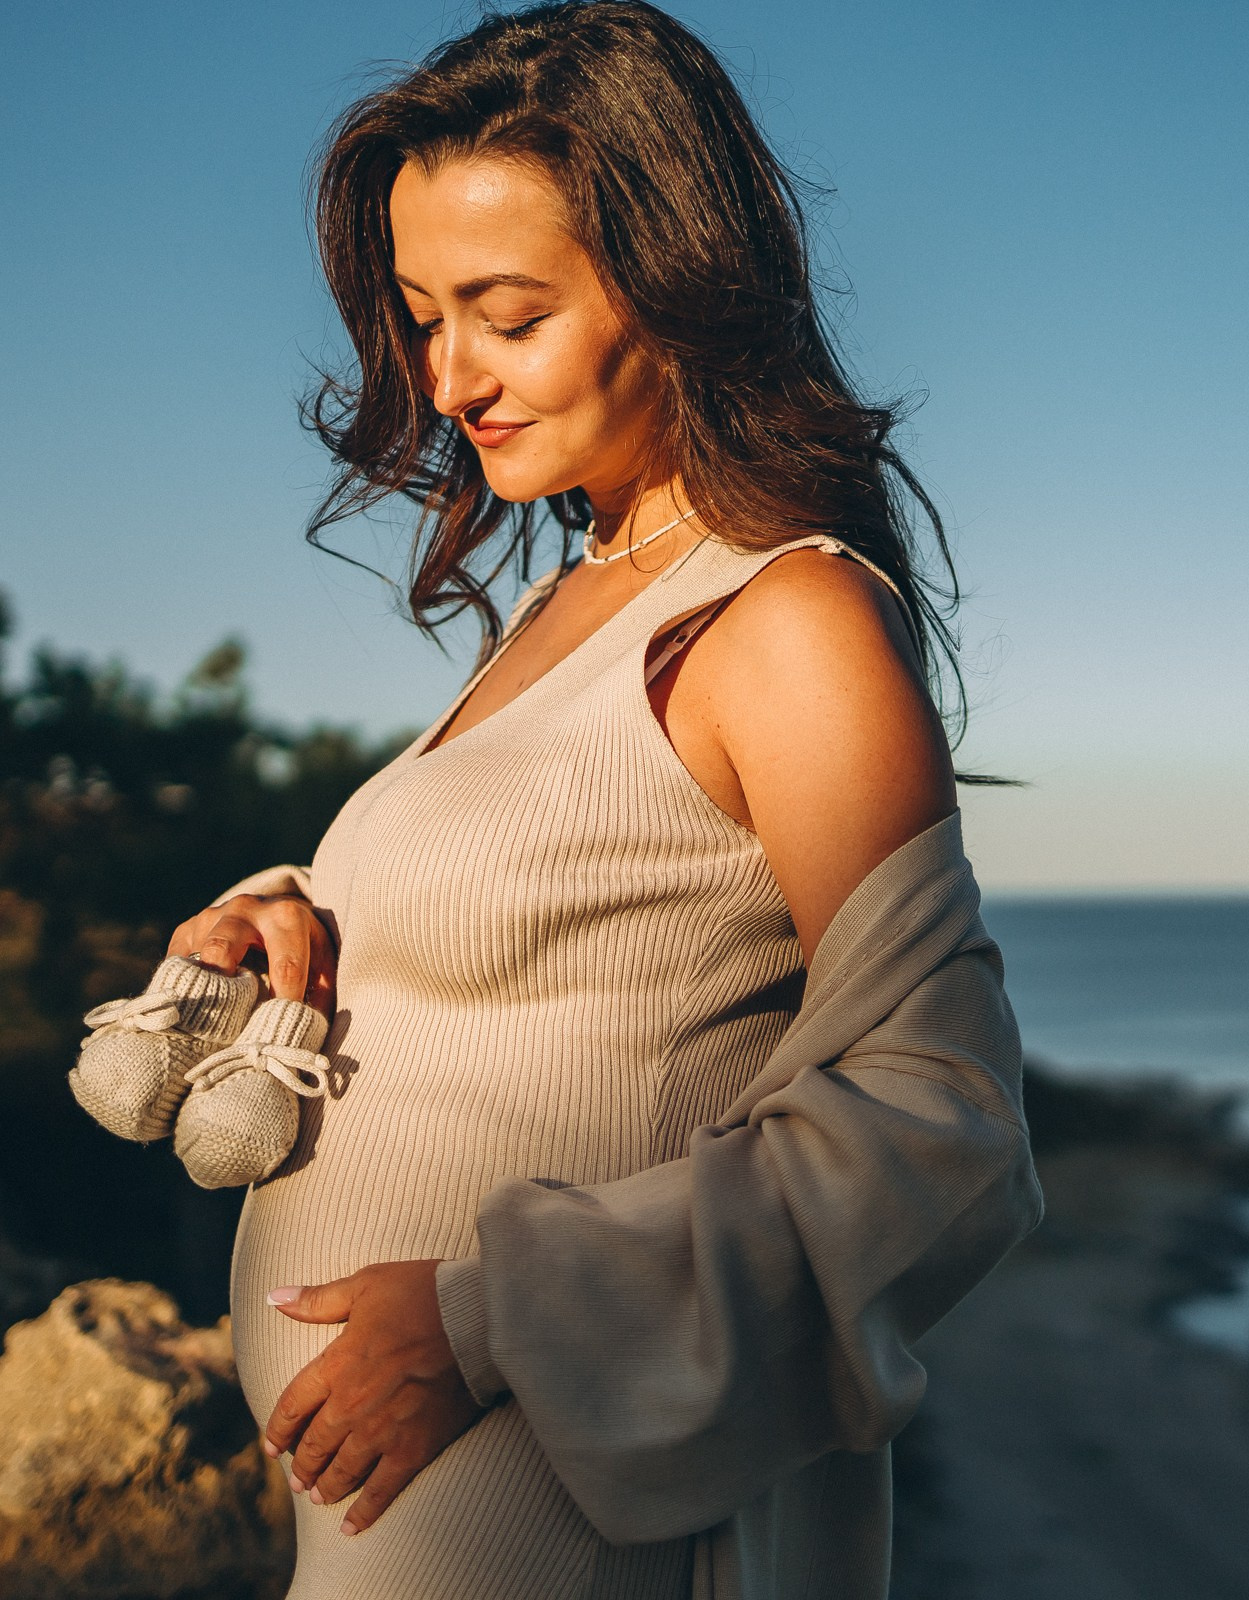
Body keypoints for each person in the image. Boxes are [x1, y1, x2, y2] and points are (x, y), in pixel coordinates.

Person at [163, 5, 1040, 1595]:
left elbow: (948, 1123)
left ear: (680, 282)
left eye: (504, 314)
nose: (448, 379)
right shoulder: (581, 595)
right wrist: (297, 921)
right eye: (422, 316)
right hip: (393, 1514)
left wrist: (490, 1317)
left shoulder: (790, 623)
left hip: (552, 1513)